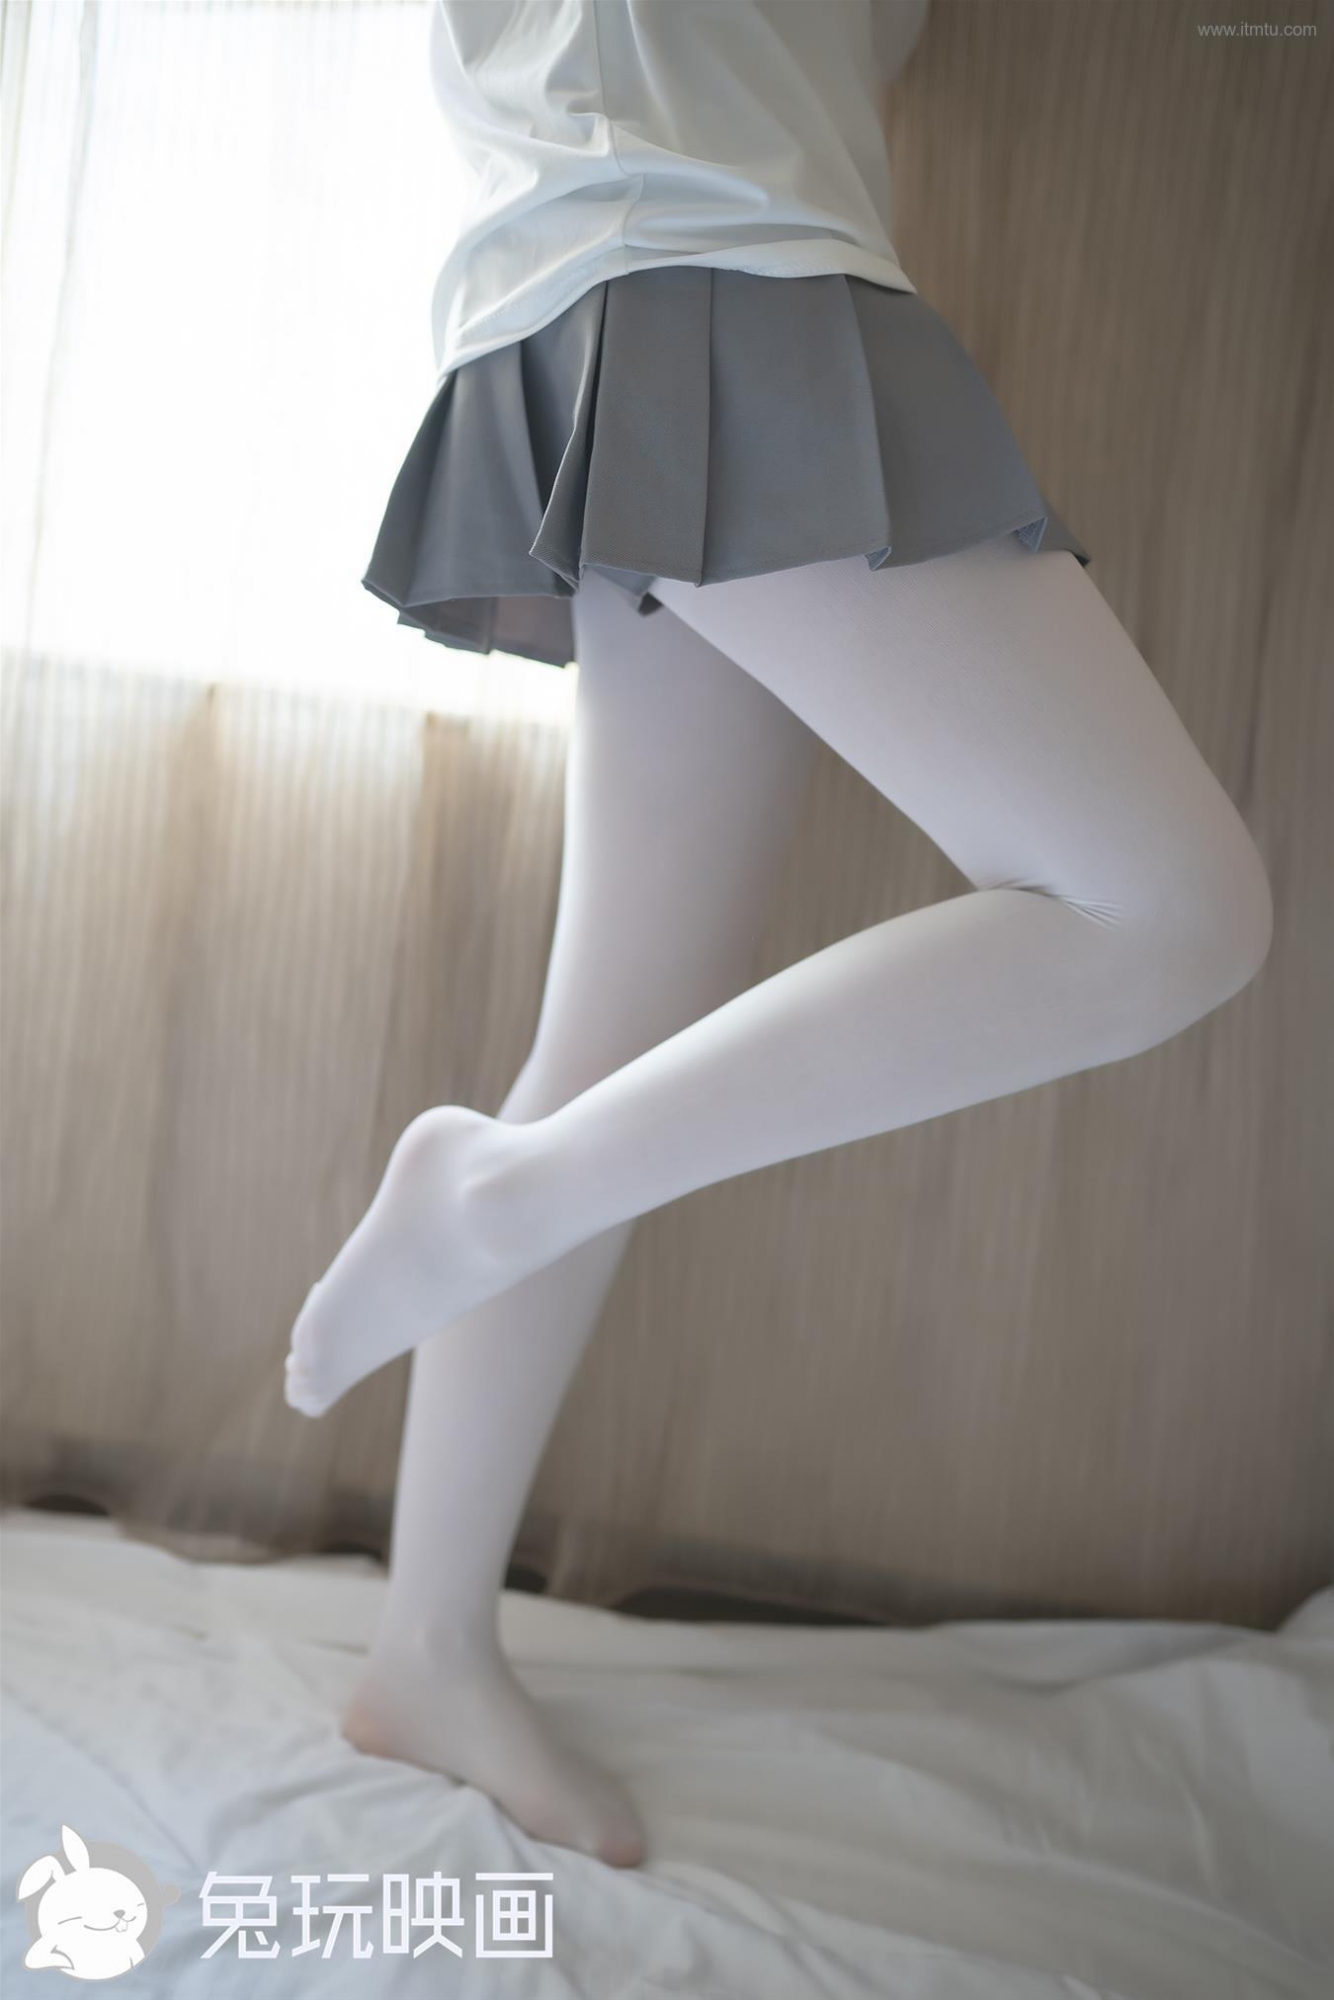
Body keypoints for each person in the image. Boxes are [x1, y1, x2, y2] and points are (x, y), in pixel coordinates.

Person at [284, 1, 1273, 1868]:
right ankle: (498, 1196)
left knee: (618, 1036)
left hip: (635, 283)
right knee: (1167, 911)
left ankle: (425, 1650)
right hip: (703, 286)